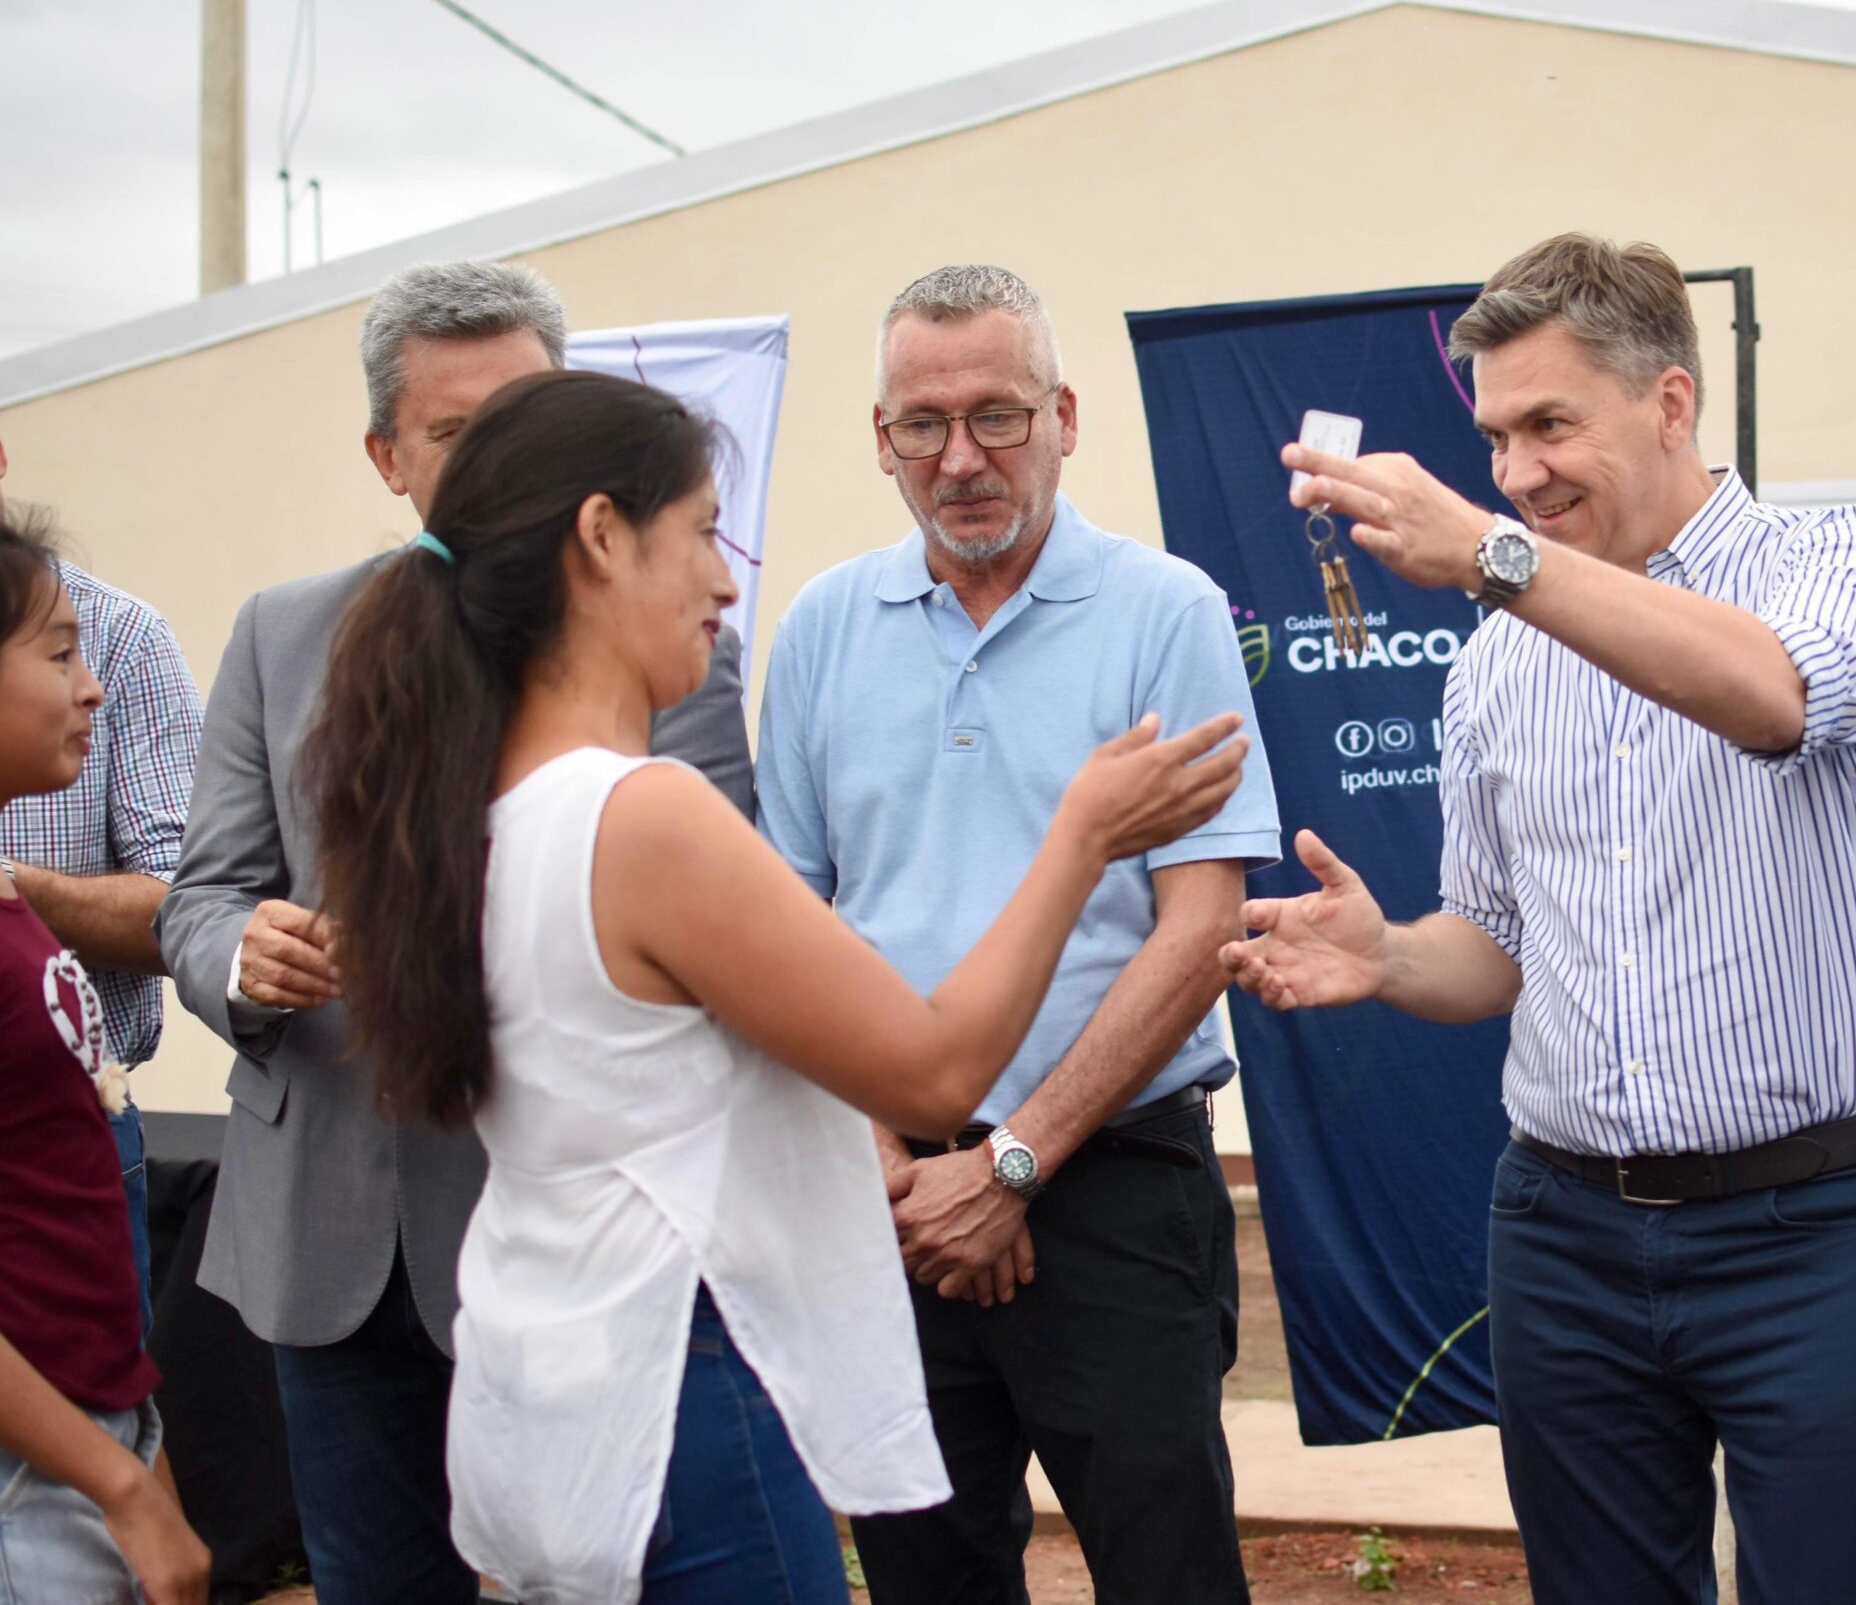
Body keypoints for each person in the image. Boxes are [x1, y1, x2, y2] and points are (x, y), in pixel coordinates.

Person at [297, 368, 1248, 1603]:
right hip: (681, 1390)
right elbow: (934, 1066)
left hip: (549, 1388)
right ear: (602, 537)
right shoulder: (645, 817)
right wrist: (1081, 835)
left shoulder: (476, 806)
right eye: (701, 534)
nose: (724, 582)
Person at [1224, 233, 1856, 1604]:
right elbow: (1495, 945)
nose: (1516, 474)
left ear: (1671, 402)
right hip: (1566, 1236)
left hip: (1816, 1230)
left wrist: (1492, 558)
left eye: (1549, 425)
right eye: (1496, 438)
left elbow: (1774, 698)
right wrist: (1390, 957)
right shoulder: (1497, 661)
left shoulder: (1842, 561)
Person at [154, 262, 754, 1604]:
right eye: (451, 433)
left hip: (571, 1230)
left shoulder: (667, 632)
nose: (495, 464)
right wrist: (242, 956)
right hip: (330, 1246)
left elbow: (722, 916)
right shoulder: (283, 633)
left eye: (523, 422)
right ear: (385, 456)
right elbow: (201, 894)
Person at [755, 264, 1280, 1605]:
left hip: (1111, 1189)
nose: (962, 457)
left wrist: (1016, 1161)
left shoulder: (1166, 613)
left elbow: (1200, 928)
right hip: (887, 1203)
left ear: (1065, 417)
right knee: (925, 1579)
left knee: (1169, 1579)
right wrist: (886, 1161)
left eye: (998, 414)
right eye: (923, 424)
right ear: (881, 440)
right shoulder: (821, 629)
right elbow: (791, 929)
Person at [0, 512, 209, 1605]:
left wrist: (136, 1454)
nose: (92, 689)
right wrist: (119, 1485)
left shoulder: (18, 912)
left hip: (83, 1435)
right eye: (58, 656)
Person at [0, 437, 201, 1337]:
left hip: (79, 1127)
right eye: (58, 660)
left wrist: (15, 893)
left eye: (71, 654)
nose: (88, 691)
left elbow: (188, 906)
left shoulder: (126, 635)